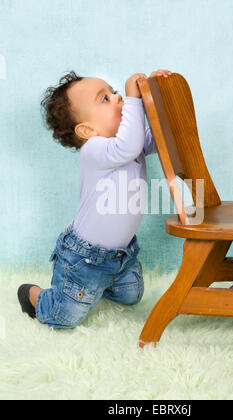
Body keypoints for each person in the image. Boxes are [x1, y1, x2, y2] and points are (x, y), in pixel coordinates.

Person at [17, 69, 172, 328]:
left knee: (131, 296)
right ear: (88, 130)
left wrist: (157, 95)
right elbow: (129, 145)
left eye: (114, 92)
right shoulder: (95, 150)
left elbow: (161, 135)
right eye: (105, 99)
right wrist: (134, 101)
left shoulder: (130, 144)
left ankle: (101, 287)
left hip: (122, 254)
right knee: (63, 318)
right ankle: (35, 296)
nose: (118, 97)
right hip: (84, 258)